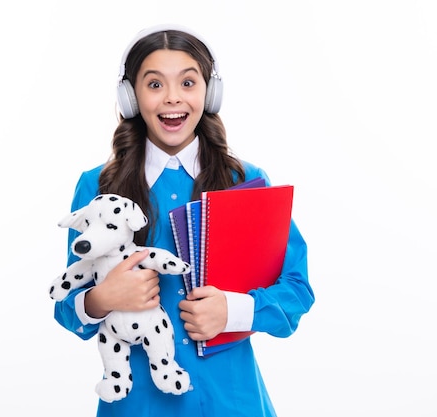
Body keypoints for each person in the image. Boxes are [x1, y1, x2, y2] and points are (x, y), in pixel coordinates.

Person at [53, 24, 315, 416]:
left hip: (231, 402)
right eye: (154, 84)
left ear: (209, 92)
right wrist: (102, 299)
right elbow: (65, 306)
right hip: (136, 405)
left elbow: (297, 289)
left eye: (188, 82)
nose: (172, 98)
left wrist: (233, 311)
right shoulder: (98, 185)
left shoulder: (244, 181)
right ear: (131, 97)